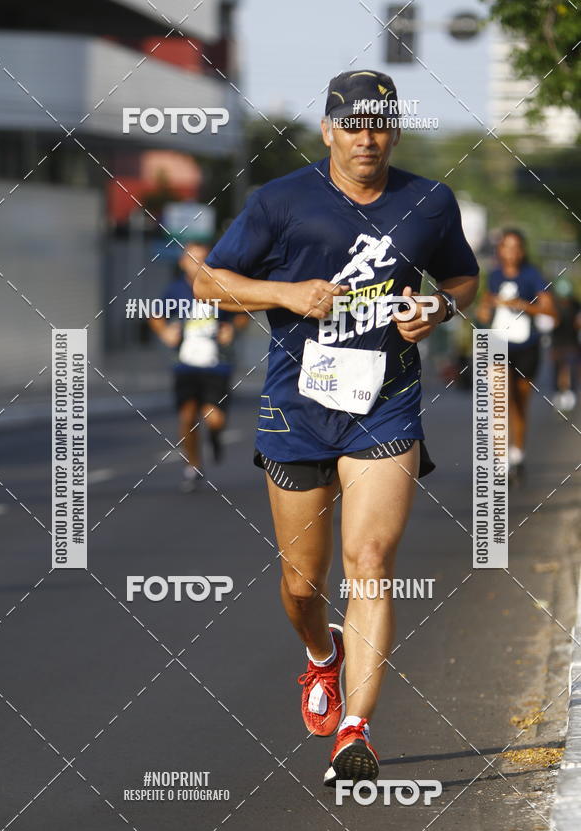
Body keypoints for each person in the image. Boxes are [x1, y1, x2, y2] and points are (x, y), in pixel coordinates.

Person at [194, 70, 479, 785]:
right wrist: (284, 292)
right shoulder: (280, 201)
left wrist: (438, 310)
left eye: (379, 123)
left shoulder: (429, 201)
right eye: (352, 124)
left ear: (394, 130)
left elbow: (463, 280)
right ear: (327, 131)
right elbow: (208, 280)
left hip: (386, 403)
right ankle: (322, 657)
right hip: (297, 410)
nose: (366, 136)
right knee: (301, 583)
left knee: (372, 560)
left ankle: (356, 731)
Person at [149, 243, 248, 491]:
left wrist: (232, 329)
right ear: (183, 262)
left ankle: (215, 438)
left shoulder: (221, 286)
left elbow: (243, 312)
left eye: (204, 259)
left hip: (217, 365)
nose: (198, 264)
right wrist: (165, 333)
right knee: (187, 416)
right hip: (185, 365)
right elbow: (155, 314)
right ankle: (193, 465)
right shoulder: (176, 290)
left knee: (213, 419)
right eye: (193, 259)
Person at [477, 230, 558, 484]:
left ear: (522, 250)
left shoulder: (532, 275)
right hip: (499, 344)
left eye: (515, 247)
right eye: (505, 246)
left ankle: (517, 454)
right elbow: (481, 314)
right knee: (499, 401)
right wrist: (487, 305)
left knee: (520, 403)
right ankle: (501, 461)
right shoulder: (493, 276)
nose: (510, 252)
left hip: (527, 347)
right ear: (499, 250)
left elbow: (550, 312)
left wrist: (523, 305)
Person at [550, 277, 580, 412]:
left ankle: (571, 393)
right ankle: (558, 392)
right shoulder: (553, 306)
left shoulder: (576, 305)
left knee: (572, 368)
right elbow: (548, 324)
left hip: (572, 343)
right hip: (557, 343)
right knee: (558, 368)